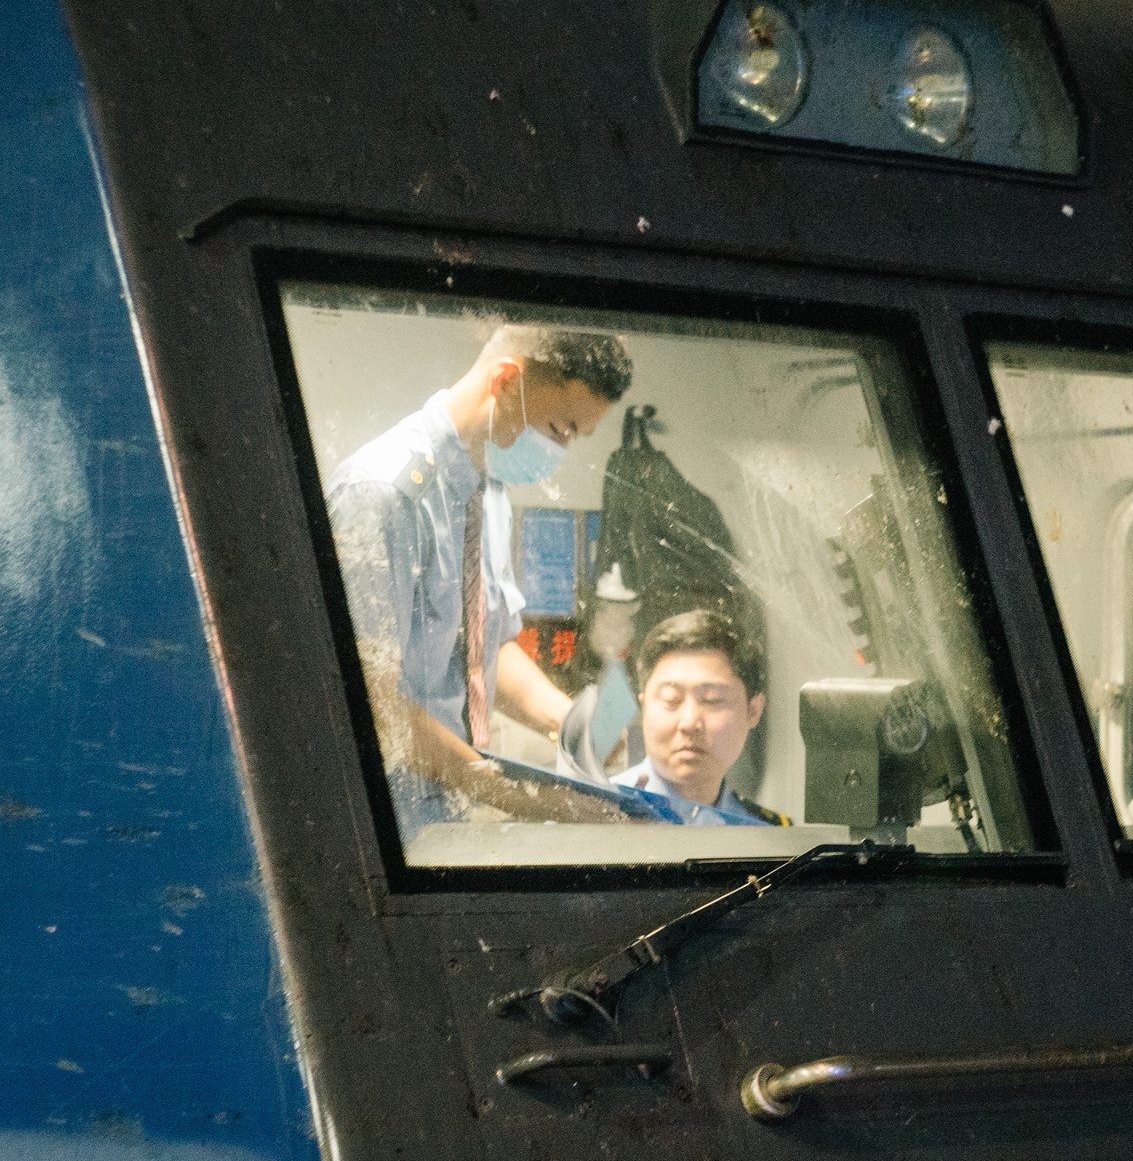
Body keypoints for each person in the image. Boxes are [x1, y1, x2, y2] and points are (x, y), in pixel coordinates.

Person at [325, 324, 633, 829]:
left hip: (443, 817)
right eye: (561, 429)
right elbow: (369, 703)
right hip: (378, 829)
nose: (561, 452)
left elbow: (485, 648)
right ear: (506, 381)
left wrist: (568, 721)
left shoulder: (487, 491)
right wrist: (525, 797)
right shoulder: (382, 495)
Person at [613, 610, 789, 827]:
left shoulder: (767, 833)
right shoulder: (594, 811)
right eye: (671, 699)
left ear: (753, 711)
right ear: (644, 707)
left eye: (712, 700)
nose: (689, 723)